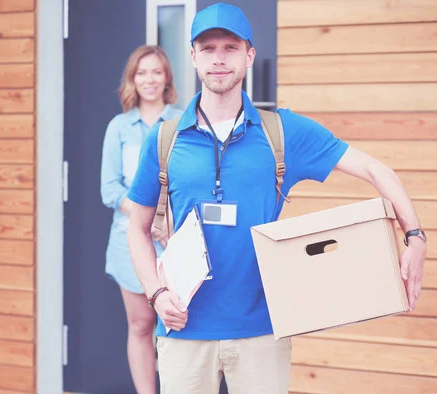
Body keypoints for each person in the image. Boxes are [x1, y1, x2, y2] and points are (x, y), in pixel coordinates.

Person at [126, 3, 427, 393]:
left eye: (230, 48)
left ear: (249, 55)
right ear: (193, 56)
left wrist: (415, 237)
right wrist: (156, 292)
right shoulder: (164, 139)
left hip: (263, 331)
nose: (219, 59)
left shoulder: (283, 132)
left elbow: (376, 170)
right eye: (209, 48)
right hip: (183, 329)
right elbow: (136, 228)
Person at [100, 45, 183, 394]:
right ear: (133, 80)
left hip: (176, 240)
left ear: (167, 79)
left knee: (178, 325)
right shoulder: (119, 127)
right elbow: (110, 190)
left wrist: (168, 222)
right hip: (128, 240)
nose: (149, 79)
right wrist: (148, 218)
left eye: (156, 72)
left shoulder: (183, 122)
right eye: (142, 73)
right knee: (141, 323)